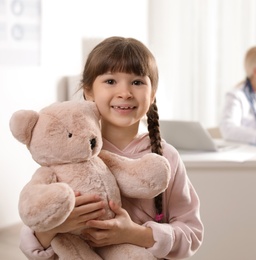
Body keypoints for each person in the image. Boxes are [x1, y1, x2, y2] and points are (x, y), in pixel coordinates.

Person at [19, 36, 204, 259]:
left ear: (152, 94)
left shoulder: (166, 158)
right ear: (88, 91)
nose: (124, 92)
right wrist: (55, 226)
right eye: (110, 81)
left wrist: (134, 234)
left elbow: (191, 233)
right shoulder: (67, 153)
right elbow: (31, 239)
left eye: (137, 82)